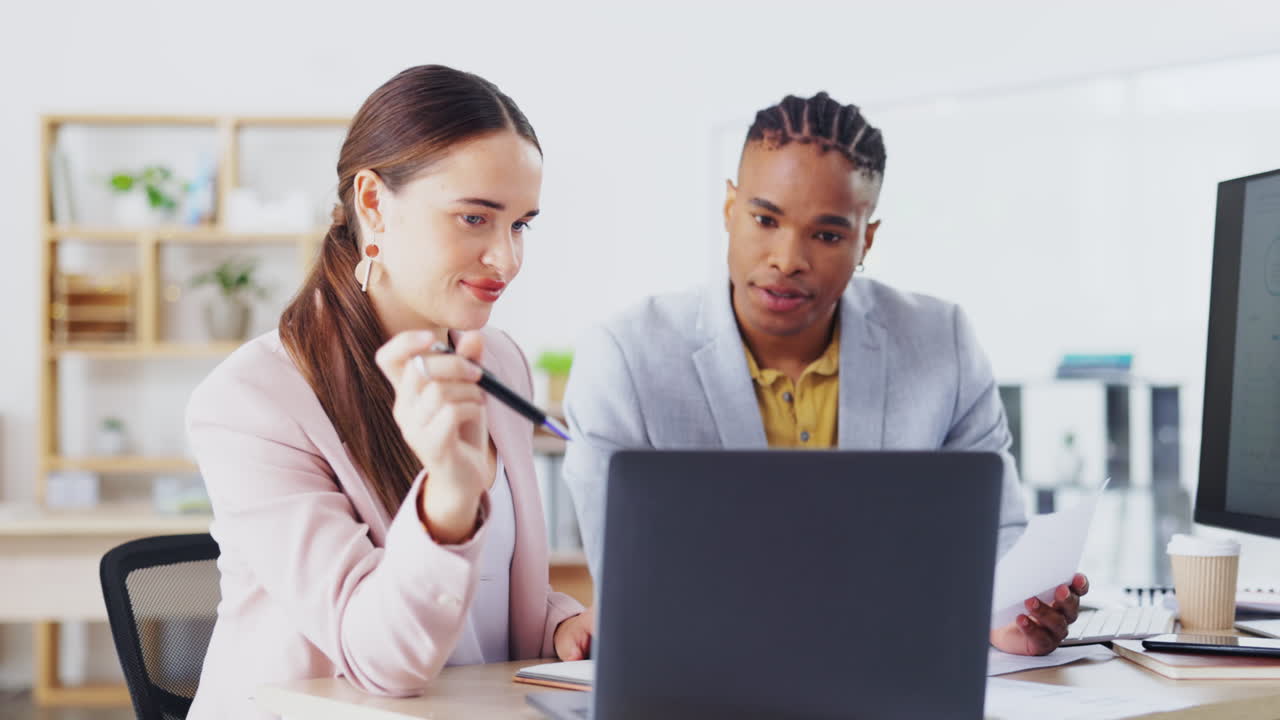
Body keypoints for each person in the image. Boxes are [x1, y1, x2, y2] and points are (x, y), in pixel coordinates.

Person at [562, 91, 1087, 656]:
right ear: (729, 210)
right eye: (765, 219)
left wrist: (1009, 616)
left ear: (867, 239)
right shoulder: (624, 358)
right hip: (709, 676)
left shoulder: (942, 344)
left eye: (828, 234)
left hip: (895, 674)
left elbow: (997, 535)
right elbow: (631, 576)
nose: (788, 258)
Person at [185, 65, 592, 720]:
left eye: (521, 225)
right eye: (474, 218)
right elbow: (380, 659)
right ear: (373, 204)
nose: (507, 260)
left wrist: (557, 623)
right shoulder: (251, 402)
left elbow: (482, 589)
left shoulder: (500, 364)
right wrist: (450, 495)